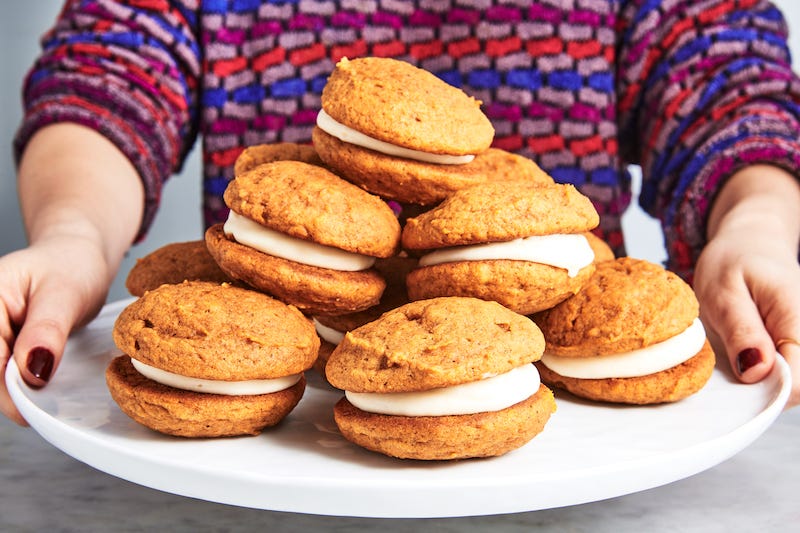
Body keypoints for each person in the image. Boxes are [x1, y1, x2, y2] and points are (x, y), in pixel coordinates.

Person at [2, 0, 799, 425]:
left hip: (581, 438)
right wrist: (75, 232)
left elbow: (728, 78)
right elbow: (108, 72)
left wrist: (755, 224)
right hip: (267, 416)